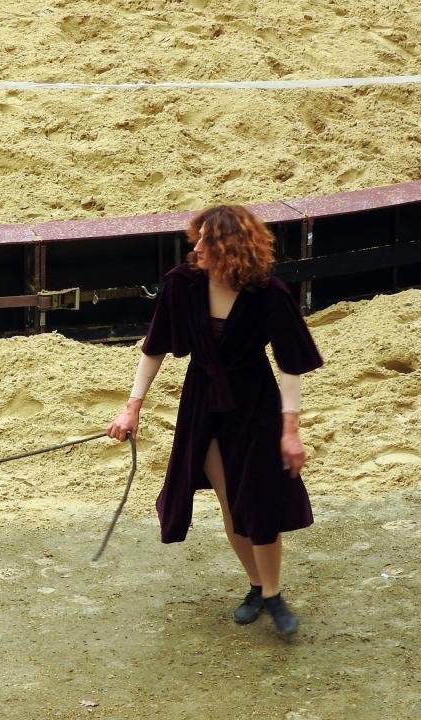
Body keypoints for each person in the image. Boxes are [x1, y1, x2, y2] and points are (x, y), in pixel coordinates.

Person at [106, 204, 323, 636]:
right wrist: (132, 406)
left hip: (255, 401)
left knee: (257, 500)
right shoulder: (182, 283)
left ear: (233, 248)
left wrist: (290, 430)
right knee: (230, 502)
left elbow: (290, 365)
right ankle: (257, 586)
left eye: (208, 240)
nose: (197, 246)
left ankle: (274, 595)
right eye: (198, 237)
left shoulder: (270, 293)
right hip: (202, 400)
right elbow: (154, 347)